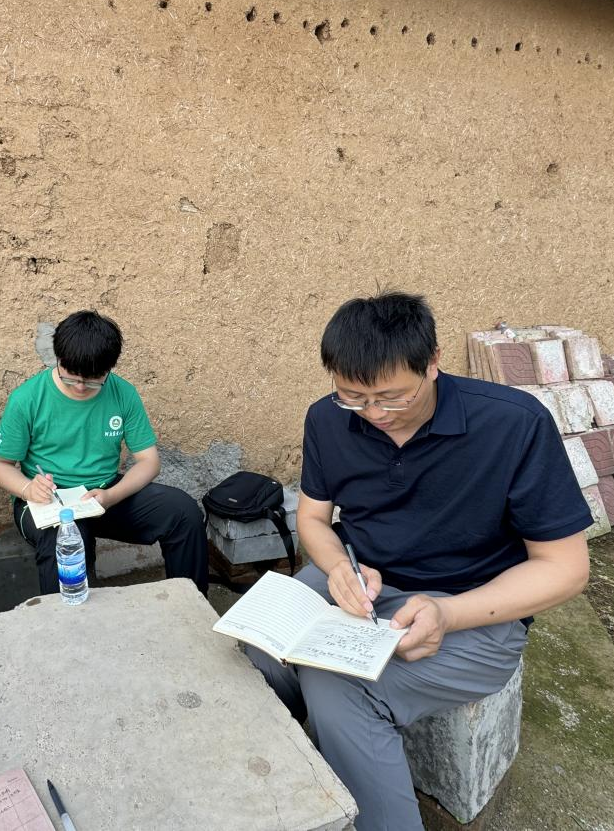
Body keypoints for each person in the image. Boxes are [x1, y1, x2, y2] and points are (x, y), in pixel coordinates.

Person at [247, 291, 591, 831]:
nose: (375, 414)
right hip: (363, 583)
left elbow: (565, 568)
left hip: (472, 608)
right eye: (354, 397)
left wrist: (447, 614)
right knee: (258, 642)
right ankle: (285, 779)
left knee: (338, 687)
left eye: (393, 397)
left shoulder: (513, 424)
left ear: (433, 363)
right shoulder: (327, 418)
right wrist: (338, 566)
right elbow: (313, 519)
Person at [0, 310, 208, 597]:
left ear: (109, 369)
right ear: (59, 359)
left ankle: (191, 605)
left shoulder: (122, 393)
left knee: (183, 513)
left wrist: (110, 496)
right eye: (71, 378)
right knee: (65, 542)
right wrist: (28, 488)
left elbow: (149, 462)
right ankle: (72, 622)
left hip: (103, 493)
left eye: (93, 381)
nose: (81, 387)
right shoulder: (27, 398)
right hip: (47, 499)